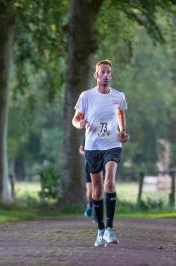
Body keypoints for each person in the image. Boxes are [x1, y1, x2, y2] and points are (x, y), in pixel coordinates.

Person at [72, 59, 129, 247]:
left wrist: (122, 131)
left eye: (108, 72)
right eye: (102, 72)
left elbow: (120, 113)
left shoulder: (118, 96)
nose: (105, 75)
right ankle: (100, 230)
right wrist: (79, 123)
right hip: (93, 146)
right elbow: (75, 118)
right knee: (96, 190)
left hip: (112, 145)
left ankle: (111, 229)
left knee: (109, 182)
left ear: (111, 76)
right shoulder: (86, 96)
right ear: (96, 75)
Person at [78, 134, 95, 222]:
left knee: (98, 189)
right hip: (89, 165)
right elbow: (80, 149)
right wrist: (85, 153)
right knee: (90, 192)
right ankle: (89, 205)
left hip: (100, 164)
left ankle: (96, 214)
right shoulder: (86, 135)